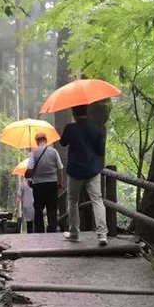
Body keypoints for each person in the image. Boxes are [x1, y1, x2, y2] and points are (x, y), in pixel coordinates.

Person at [60, 104, 108, 246]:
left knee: (72, 201)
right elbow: (100, 151)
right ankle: (102, 235)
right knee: (97, 200)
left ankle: (74, 233)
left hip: (75, 171)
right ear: (86, 112)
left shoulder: (70, 128)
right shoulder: (96, 128)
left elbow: (63, 143)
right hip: (93, 170)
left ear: (73, 113)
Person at [26, 132, 64, 233]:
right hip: (52, 183)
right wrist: (60, 182)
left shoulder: (33, 153)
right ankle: (51, 230)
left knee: (38, 209)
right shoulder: (54, 151)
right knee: (52, 208)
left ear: (37, 141)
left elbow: (29, 170)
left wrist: (30, 175)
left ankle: (40, 231)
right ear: (46, 140)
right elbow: (60, 168)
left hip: (38, 185)